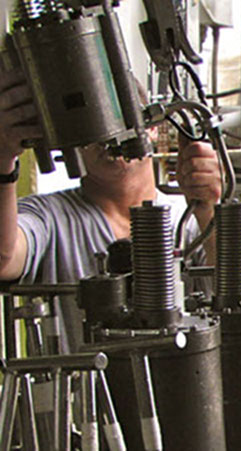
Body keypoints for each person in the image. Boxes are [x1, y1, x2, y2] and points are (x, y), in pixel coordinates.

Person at [0, 69, 221, 350]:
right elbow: (4, 257)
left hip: (183, 389)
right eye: (94, 124)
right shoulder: (48, 218)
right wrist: (3, 158)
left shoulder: (191, 222)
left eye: (121, 117)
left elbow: (236, 296)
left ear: (152, 127)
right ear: (74, 141)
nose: (111, 136)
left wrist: (211, 209)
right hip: (80, 393)